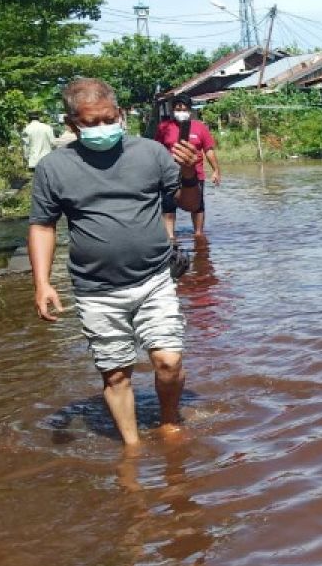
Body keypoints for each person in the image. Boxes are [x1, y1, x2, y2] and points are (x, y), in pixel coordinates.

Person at [28, 78, 202, 447]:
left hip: (155, 277)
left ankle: (169, 423)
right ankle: (132, 447)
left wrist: (189, 173)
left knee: (169, 362)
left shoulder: (150, 154)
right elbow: (43, 226)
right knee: (116, 375)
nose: (100, 129)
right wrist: (42, 282)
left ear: (120, 114)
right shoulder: (54, 168)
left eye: (107, 119)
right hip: (96, 289)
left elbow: (186, 203)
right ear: (71, 122)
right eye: (89, 123)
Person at [154, 94, 221, 240]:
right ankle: (170, 238)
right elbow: (156, 150)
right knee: (168, 205)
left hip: (195, 174)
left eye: (184, 109)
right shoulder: (164, 127)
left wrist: (216, 170)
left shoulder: (200, 127)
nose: (181, 112)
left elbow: (208, 150)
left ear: (190, 110)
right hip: (169, 174)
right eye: (178, 109)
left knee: (197, 206)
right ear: (173, 110)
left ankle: (199, 236)